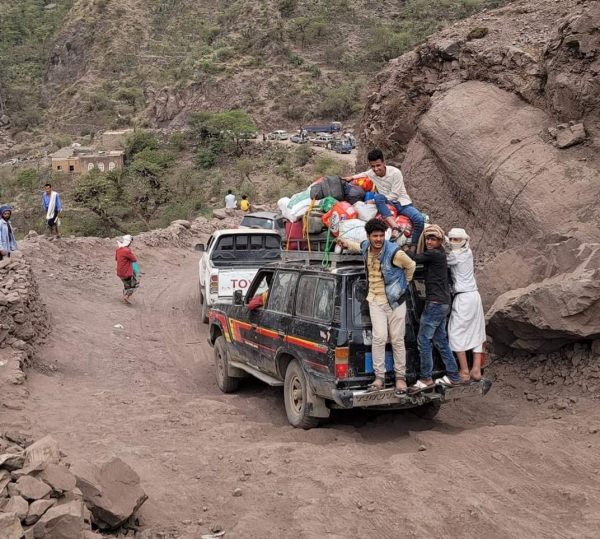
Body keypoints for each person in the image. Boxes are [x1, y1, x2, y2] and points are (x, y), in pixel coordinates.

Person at [337, 218, 416, 396]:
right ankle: (379, 377)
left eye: (381, 235)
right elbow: (358, 246)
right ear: (369, 236)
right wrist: (344, 243)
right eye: (375, 236)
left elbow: (411, 266)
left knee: (397, 339)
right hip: (375, 300)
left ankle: (400, 378)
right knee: (379, 338)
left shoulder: (395, 253)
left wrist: (404, 285)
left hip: (395, 302)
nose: (379, 239)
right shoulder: (366, 247)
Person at [404, 224, 463, 392]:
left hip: (435, 304)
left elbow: (413, 258)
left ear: (440, 241)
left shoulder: (434, 254)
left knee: (423, 340)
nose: (429, 242)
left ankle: (425, 378)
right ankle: (453, 376)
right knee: (440, 341)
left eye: (433, 239)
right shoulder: (439, 254)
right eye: (428, 238)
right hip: (443, 303)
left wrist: (405, 245)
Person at [342, 149, 424, 249]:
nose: (376, 169)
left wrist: (373, 201)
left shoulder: (395, 173)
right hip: (386, 205)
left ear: (384, 163)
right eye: (373, 166)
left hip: (402, 204)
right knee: (378, 197)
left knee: (419, 220)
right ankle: (395, 227)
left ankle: (413, 249)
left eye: (378, 165)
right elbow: (363, 174)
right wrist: (351, 177)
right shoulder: (371, 173)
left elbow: (394, 195)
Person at [447, 228, 486, 381]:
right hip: (474, 295)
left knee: (455, 333)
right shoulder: (468, 252)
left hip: (463, 297)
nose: (452, 242)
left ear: (463, 240)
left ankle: (464, 371)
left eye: (456, 240)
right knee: (477, 331)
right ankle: (476, 370)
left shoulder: (455, 256)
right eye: (451, 239)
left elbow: (440, 259)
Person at [115, 235, 139, 304]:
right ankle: (127, 296)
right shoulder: (127, 250)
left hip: (119, 271)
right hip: (126, 272)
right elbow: (134, 259)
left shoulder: (118, 250)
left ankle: (125, 295)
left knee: (126, 284)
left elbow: (116, 259)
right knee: (134, 283)